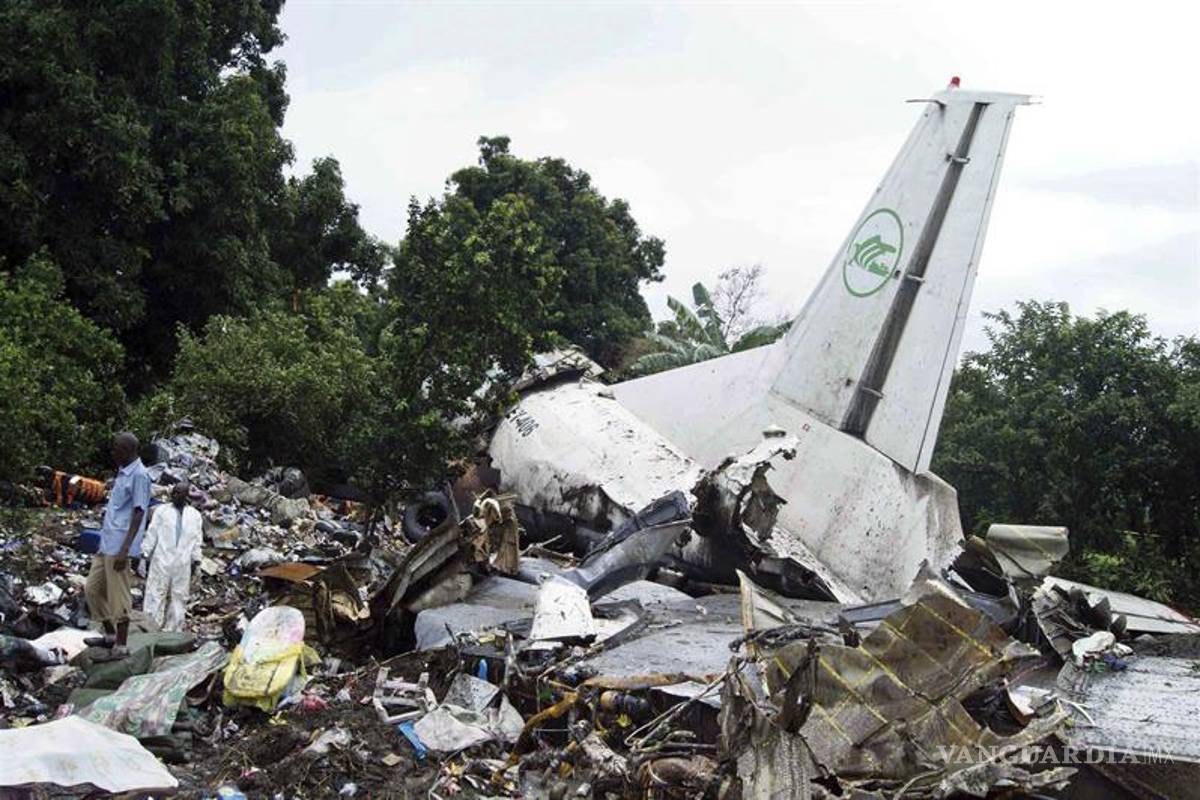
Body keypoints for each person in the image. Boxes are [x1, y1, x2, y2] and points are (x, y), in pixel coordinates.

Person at [85, 432, 150, 652]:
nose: (113, 452)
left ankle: (121, 644)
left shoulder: (139, 475)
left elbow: (139, 512)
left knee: (118, 596)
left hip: (119, 546)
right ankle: (110, 634)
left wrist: (125, 550)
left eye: (116, 448)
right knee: (92, 589)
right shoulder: (123, 473)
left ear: (127, 450)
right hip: (107, 544)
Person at [142, 479, 203, 631]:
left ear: (186, 495)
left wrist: (197, 562)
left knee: (179, 598)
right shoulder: (162, 511)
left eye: (178, 492)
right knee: (155, 594)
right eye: (173, 492)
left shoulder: (195, 516)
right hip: (161, 559)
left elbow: (196, 540)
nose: (174, 495)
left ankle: (172, 632)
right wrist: (144, 555)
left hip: (182, 563)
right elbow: (152, 532)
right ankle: (151, 629)